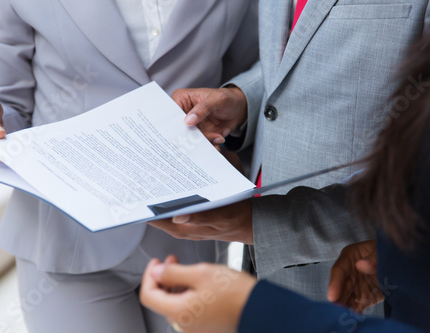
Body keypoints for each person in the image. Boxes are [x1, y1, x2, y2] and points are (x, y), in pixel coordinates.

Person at [0, 1, 258, 332]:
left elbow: (255, 80)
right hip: (65, 236)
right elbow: (3, 101)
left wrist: (235, 121)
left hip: (193, 229)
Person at [140, 31, 430, 332]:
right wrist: (243, 100)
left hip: (348, 286)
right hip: (356, 272)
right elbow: (290, 54)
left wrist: (250, 307)